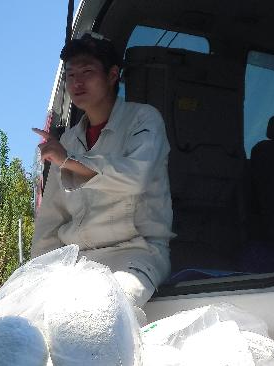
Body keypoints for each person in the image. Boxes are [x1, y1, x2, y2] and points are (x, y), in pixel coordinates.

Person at [31, 32, 173, 311]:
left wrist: (68, 160)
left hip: (135, 254)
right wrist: (36, 274)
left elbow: (135, 177)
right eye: (70, 75)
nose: (77, 82)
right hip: (76, 262)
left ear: (112, 75)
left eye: (87, 72)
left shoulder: (144, 119)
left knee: (101, 313)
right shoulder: (68, 139)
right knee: (19, 316)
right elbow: (51, 219)